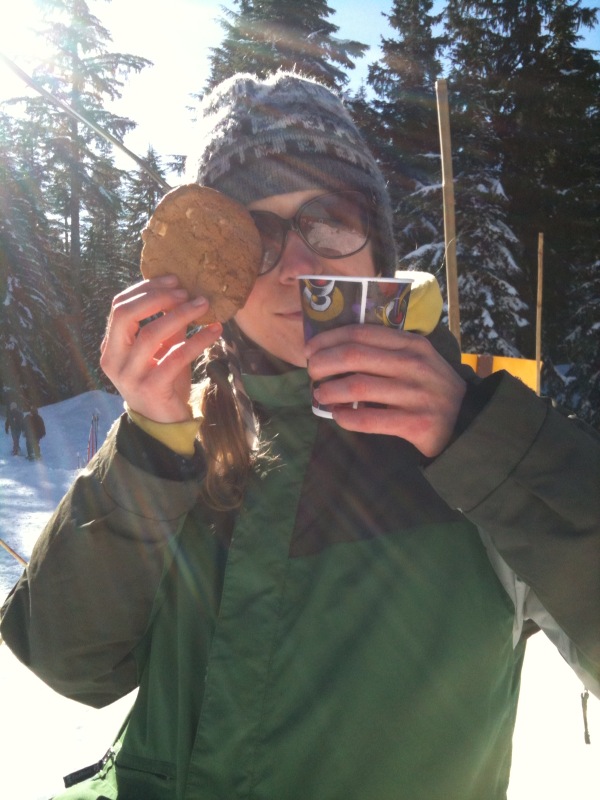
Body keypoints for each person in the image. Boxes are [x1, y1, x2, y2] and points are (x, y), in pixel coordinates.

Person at [1, 71, 599, 800]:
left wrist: (479, 441)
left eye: (333, 220)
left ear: (376, 248)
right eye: (254, 238)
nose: (302, 268)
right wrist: (148, 444)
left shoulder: (484, 437)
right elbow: (69, 662)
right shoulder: (179, 430)